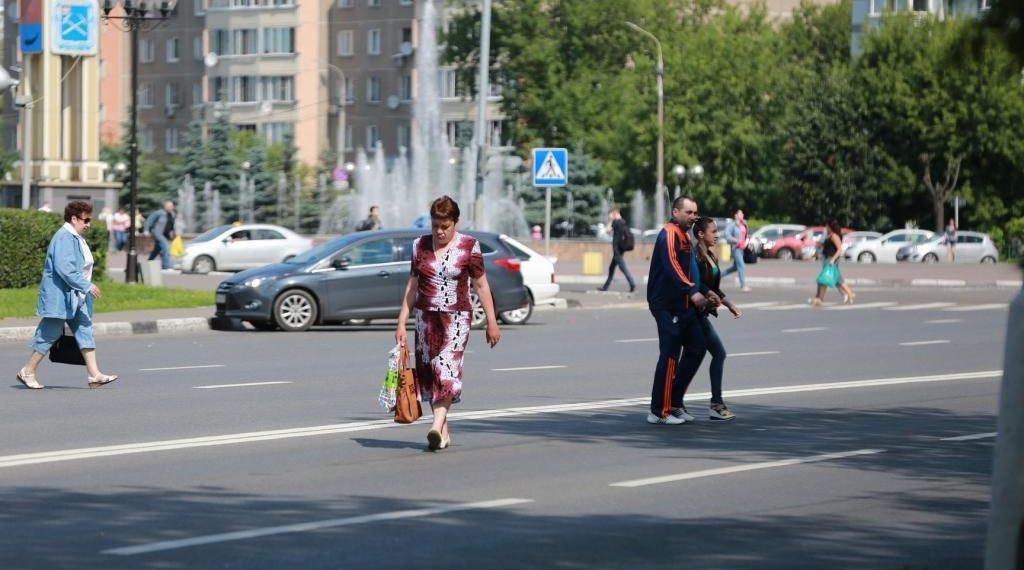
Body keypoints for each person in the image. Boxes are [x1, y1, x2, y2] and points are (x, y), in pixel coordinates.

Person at [395, 195, 501, 450]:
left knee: (446, 369)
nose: (440, 232)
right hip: (425, 318)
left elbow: (481, 285)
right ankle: (443, 432)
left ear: (456, 223)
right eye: (435, 226)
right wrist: (401, 322)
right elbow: (412, 286)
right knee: (431, 374)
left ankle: (435, 425)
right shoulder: (419, 246)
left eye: (445, 226)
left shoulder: (469, 246)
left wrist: (492, 321)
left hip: (456, 317)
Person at [15, 201, 118, 390]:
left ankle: (94, 375)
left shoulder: (76, 237)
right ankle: (27, 371)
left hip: (77, 296)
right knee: (49, 333)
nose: (88, 224)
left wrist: (84, 288)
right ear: (74, 218)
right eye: (86, 220)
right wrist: (86, 285)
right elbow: (65, 269)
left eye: (89, 220)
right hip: (61, 296)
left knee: (85, 329)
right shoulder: (63, 237)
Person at [646, 196, 708, 425]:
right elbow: (672, 266)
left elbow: (689, 269)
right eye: (689, 212)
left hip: (683, 304)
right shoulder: (669, 233)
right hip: (666, 304)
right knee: (671, 351)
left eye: (695, 213)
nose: (694, 217)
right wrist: (692, 291)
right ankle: (658, 411)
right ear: (675, 212)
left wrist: (704, 290)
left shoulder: (684, 235)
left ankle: (674, 402)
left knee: (697, 347)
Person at [692, 217, 741, 421]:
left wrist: (730, 305)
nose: (717, 235)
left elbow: (714, 287)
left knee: (713, 354)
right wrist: (708, 296)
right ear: (701, 234)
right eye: (713, 231)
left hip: (702, 313)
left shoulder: (711, 255)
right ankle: (672, 403)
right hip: (693, 313)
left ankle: (715, 403)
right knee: (702, 356)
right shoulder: (695, 256)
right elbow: (697, 284)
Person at [810, 219, 856, 306]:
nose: (825, 227)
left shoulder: (834, 236)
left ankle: (820, 299)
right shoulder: (829, 235)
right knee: (836, 279)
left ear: (830, 227)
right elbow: (828, 246)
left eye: (827, 225)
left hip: (831, 260)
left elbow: (839, 249)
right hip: (827, 258)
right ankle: (850, 294)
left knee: (824, 279)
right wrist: (820, 245)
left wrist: (833, 259)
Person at [599, 208, 637, 293]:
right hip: (619, 249)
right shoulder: (622, 222)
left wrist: (611, 220)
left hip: (617, 251)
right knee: (611, 268)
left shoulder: (617, 223)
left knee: (623, 268)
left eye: (611, 214)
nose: (609, 216)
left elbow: (607, 230)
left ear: (615, 214)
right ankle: (605, 287)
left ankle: (632, 284)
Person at [721, 208, 751, 292]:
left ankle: (717, 276)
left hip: (742, 249)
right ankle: (743, 286)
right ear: (736, 215)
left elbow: (746, 234)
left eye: (742, 214)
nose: (742, 215)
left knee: (735, 268)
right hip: (736, 248)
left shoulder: (743, 224)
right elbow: (726, 234)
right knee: (741, 266)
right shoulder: (732, 225)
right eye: (740, 214)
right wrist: (735, 240)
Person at [143, 201, 176, 270]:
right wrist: (146, 230)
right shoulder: (158, 213)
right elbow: (149, 221)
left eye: (172, 206)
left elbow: (172, 225)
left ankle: (148, 262)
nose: (171, 208)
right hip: (158, 233)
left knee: (157, 250)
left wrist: (173, 233)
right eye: (169, 206)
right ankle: (166, 266)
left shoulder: (172, 214)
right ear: (165, 207)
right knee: (166, 247)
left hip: (166, 235)